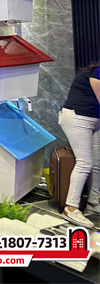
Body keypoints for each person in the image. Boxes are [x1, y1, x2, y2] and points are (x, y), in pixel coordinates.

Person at [59, 61, 100, 229]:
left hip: (94, 120)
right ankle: (70, 208)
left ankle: (93, 203)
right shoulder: (96, 72)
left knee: (96, 163)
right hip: (77, 119)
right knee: (85, 163)